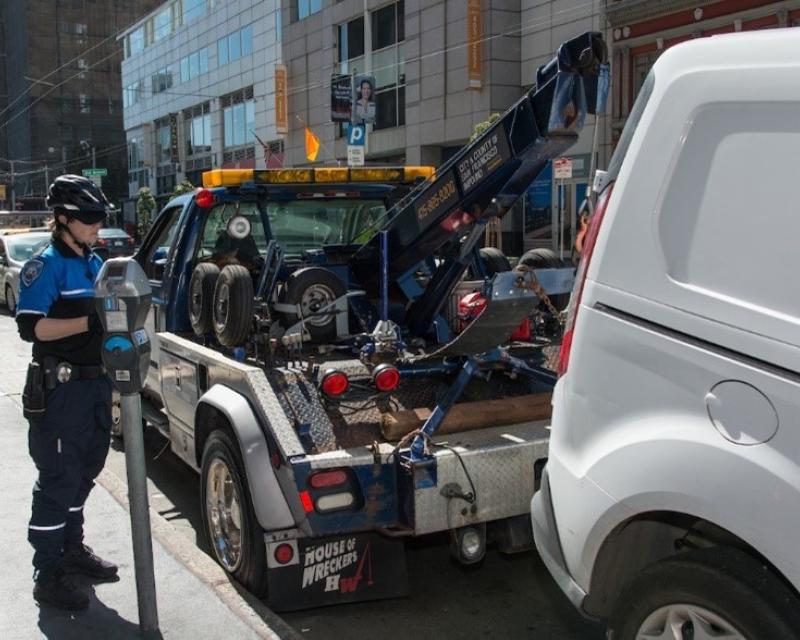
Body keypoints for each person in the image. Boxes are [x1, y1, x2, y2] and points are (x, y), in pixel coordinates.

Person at [17, 174, 118, 610]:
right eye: (89, 218)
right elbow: (31, 327)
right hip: (61, 391)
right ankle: (49, 571)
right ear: (62, 219)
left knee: (86, 470)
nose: (97, 225)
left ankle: (72, 551)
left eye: (100, 217)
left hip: (95, 385)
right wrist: (89, 322)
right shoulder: (45, 264)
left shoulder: (94, 262)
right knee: (58, 479)